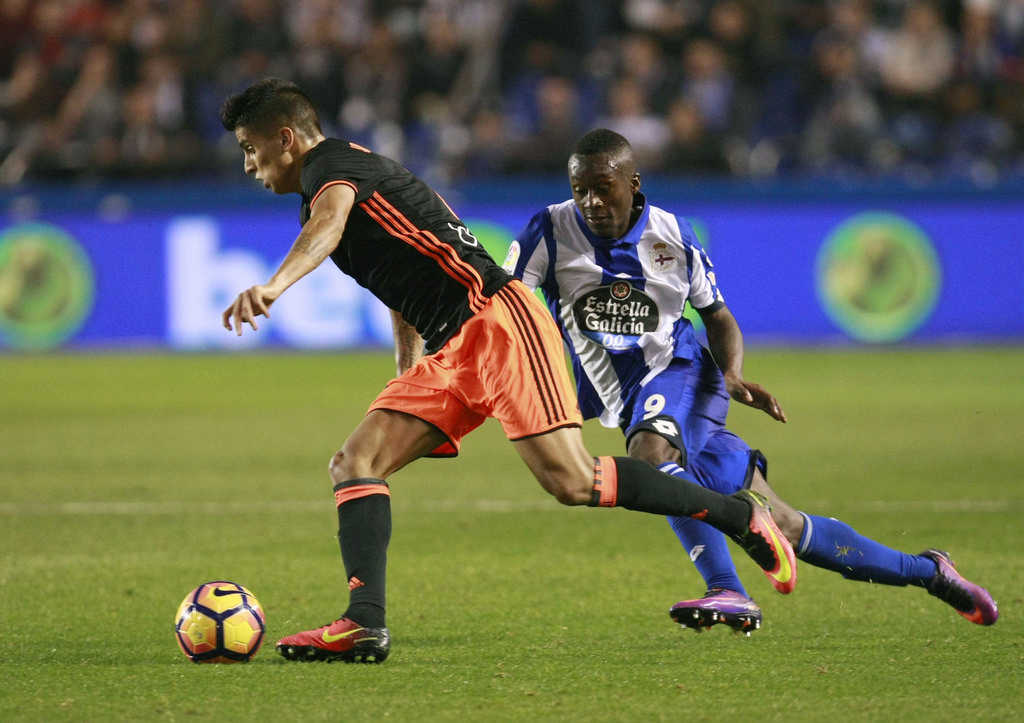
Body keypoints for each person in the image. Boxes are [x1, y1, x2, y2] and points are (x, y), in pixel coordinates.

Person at [217, 78, 797, 664]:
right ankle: (363, 623)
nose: (247, 164)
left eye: (249, 146)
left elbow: (329, 225)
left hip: (498, 322)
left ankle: (741, 515)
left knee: (573, 482)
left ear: (286, 138)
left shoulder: (331, 169)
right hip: (454, 348)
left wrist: (273, 285)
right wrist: (406, 370)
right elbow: (397, 276)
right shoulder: (347, 176)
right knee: (355, 462)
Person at [506, 128, 998, 634]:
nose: (590, 201)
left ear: (633, 182)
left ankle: (728, 589)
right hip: (629, 399)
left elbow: (716, 315)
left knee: (651, 460)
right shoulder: (548, 230)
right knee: (785, 525)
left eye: (602, 187)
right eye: (579, 188)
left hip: (682, 374)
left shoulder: (672, 235)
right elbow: (505, 305)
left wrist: (734, 374)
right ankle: (930, 572)